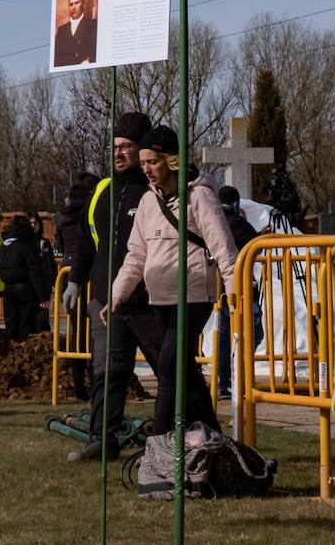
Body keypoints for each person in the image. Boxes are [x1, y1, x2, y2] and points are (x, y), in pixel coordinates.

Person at [105, 125, 238, 438]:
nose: (147, 169)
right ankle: (211, 435)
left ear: (170, 160)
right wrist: (117, 294)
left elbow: (223, 247)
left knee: (167, 368)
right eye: (144, 163)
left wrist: (235, 294)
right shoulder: (148, 203)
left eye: (153, 162)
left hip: (191, 296)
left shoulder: (198, 196)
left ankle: (159, 441)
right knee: (185, 370)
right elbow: (135, 255)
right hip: (160, 299)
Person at [64, 111, 159, 462]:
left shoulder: (154, 187)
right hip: (109, 302)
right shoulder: (103, 189)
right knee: (107, 371)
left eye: (128, 146)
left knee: (171, 372)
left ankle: (176, 438)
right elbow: (86, 239)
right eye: (115, 146)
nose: (119, 153)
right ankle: (102, 440)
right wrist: (75, 279)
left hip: (151, 301)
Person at [57, 173, 101, 401]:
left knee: (76, 330)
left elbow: (60, 244)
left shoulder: (63, 216)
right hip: (89, 272)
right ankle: (95, 385)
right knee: (96, 331)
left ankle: (78, 387)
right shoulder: (93, 210)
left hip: (68, 272)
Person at [214, 185, 260, 399]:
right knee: (253, 331)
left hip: (219, 288)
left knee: (224, 337)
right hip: (239, 288)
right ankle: (239, 379)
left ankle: (225, 383)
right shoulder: (236, 222)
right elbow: (252, 243)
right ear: (235, 203)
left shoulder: (213, 220)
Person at [0, 215, 51, 339]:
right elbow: (35, 274)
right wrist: (43, 298)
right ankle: (23, 348)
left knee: (11, 323)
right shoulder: (27, 246)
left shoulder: (3, 246)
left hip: (8, 289)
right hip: (25, 290)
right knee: (26, 324)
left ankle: (12, 350)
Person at [53, 0, 97, 67]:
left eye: (77, 3)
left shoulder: (93, 25)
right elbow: (56, 58)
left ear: (83, 4)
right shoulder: (61, 30)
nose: (73, 7)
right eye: (71, 4)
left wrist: (89, 61)